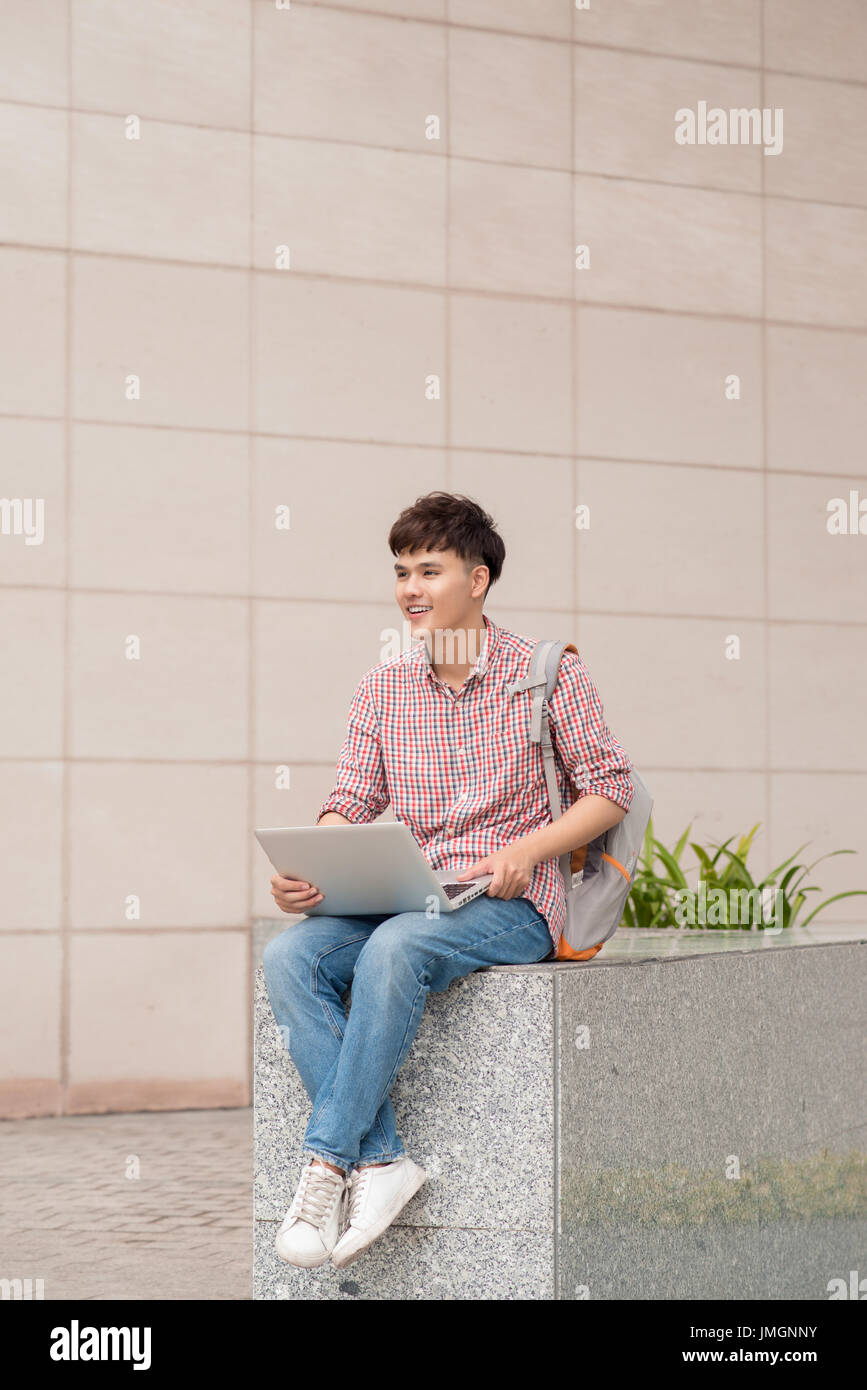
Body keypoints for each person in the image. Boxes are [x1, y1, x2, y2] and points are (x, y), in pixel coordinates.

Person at [262, 491, 634, 1270]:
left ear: (479, 578)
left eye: (428, 570)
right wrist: (315, 872)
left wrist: (529, 849)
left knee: (395, 950)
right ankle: (381, 1159)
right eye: (400, 572)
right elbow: (348, 803)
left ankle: (327, 1165)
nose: (410, 590)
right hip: (412, 891)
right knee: (288, 957)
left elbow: (607, 788)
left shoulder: (545, 672)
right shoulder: (383, 687)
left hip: (512, 901)